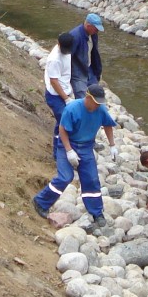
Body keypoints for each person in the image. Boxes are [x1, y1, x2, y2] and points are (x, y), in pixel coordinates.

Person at [32, 84, 118, 227]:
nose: (97, 105)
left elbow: (108, 125)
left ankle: (96, 212)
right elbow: (63, 130)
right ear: (88, 97)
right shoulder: (72, 109)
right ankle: (41, 202)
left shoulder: (101, 110)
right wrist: (69, 151)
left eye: (99, 103)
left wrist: (112, 145)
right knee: (65, 177)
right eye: (96, 102)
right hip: (68, 144)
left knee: (91, 179)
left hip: (86, 147)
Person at [43, 31, 75, 152]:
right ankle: (60, 151)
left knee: (62, 122)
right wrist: (66, 99)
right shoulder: (54, 59)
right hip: (56, 96)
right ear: (59, 44)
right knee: (64, 122)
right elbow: (54, 82)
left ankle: (61, 148)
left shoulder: (67, 50)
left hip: (65, 91)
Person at [68, 13, 104, 99]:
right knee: (82, 99)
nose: (97, 31)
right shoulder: (75, 36)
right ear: (88, 26)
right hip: (77, 73)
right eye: (96, 29)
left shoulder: (93, 34)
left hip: (89, 70)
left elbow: (94, 53)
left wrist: (97, 72)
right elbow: (67, 58)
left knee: (96, 97)